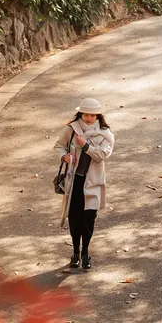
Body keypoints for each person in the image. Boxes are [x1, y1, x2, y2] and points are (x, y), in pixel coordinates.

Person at [54, 97, 114, 270]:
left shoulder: (105, 133)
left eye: (93, 115)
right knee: (75, 219)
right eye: (86, 115)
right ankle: (75, 253)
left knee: (89, 220)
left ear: (98, 116)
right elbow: (59, 146)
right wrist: (64, 156)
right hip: (74, 182)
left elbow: (103, 155)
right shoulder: (72, 129)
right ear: (81, 113)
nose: (89, 118)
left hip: (94, 182)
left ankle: (86, 253)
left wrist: (85, 146)